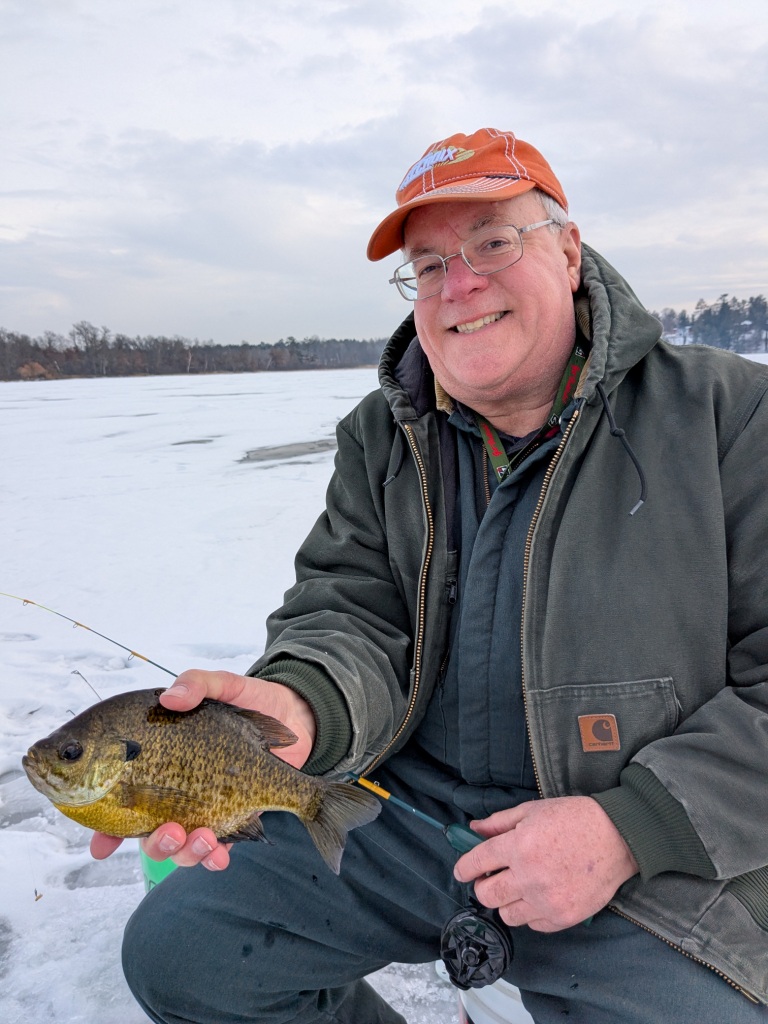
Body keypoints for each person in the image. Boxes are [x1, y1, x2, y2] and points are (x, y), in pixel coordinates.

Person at [98, 128, 768, 1023]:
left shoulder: (730, 417)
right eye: (427, 264)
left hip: (642, 853)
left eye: (493, 240)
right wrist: (305, 707)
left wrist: (629, 828)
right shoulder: (381, 436)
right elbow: (345, 608)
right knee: (185, 954)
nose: (460, 285)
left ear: (568, 251)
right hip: (400, 819)